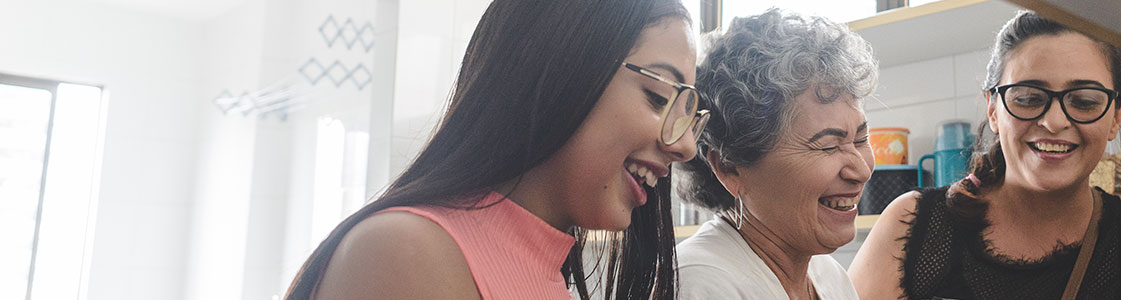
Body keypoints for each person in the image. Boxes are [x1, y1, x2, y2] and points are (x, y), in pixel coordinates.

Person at [282, 0, 706, 299]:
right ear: (559, 66)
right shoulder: (409, 253)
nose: (686, 146)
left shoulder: (546, 272)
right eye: (657, 95)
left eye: (689, 114)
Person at [849, 11, 1121, 300]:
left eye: (1084, 101)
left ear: (1115, 118)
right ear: (993, 110)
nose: (1054, 121)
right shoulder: (911, 228)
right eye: (1028, 98)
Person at [671, 9, 878, 300]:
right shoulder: (700, 283)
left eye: (860, 138)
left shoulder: (829, 277)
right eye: (828, 146)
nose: (861, 170)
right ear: (729, 167)